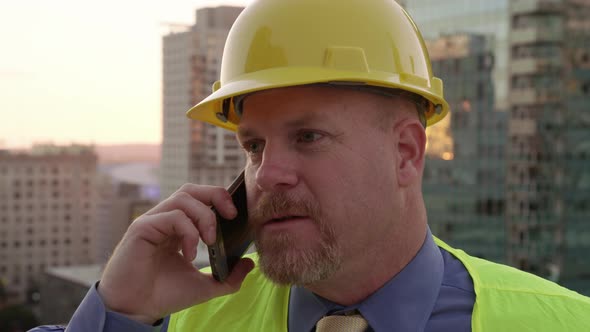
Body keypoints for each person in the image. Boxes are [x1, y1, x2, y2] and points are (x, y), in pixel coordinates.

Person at [32, 0, 590, 331]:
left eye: (308, 136)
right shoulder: (179, 319)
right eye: (253, 145)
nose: (268, 173)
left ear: (406, 153)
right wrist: (119, 313)